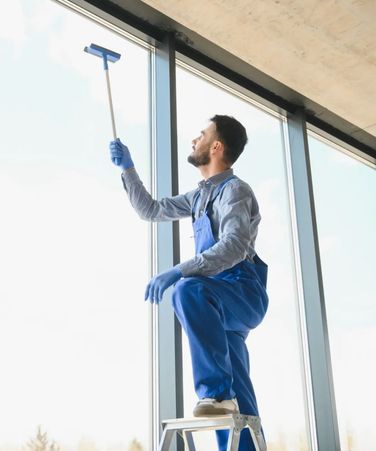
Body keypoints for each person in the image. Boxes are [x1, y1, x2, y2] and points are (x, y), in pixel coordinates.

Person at [109, 115, 268, 451]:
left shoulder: (234, 191)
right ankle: (229, 408)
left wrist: (178, 271)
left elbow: (234, 245)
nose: (193, 139)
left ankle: (214, 392)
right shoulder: (198, 199)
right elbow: (151, 210)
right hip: (218, 304)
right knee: (240, 402)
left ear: (216, 146)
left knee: (187, 290)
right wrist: (128, 168)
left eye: (201, 134)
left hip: (240, 290)